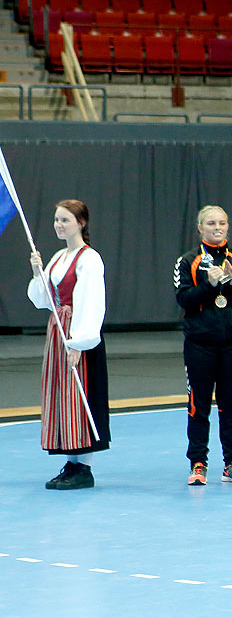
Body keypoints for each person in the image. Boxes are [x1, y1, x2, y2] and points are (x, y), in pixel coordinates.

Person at [175, 205, 232, 485]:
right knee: (198, 406)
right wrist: (210, 285)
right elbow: (183, 299)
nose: (217, 227)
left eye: (222, 222)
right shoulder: (187, 262)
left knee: (230, 406)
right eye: (211, 223)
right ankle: (198, 464)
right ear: (200, 228)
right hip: (200, 345)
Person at [28, 200, 109, 490]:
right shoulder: (59, 258)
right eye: (56, 220)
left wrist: (79, 342)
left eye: (65, 220)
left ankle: (83, 466)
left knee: (80, 394)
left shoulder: (89, 259)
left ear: (81, 223)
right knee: (63, 395)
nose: (59, 225)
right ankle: (72, 460)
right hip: (58, 333)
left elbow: (91, 301)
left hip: (76, 334)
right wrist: (38, 272)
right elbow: (43, 301)